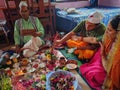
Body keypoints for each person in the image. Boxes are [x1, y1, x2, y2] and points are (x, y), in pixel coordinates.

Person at [79, 15, 120, 90]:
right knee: (91, 66)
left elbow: (112, 71)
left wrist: (102, 55)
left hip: (111, 71)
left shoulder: (118, 54)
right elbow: (97, 44)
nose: (106, 32)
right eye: (107, 29)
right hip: (103, 58)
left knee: (96, 75)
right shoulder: (108, 36)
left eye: (110, 30)